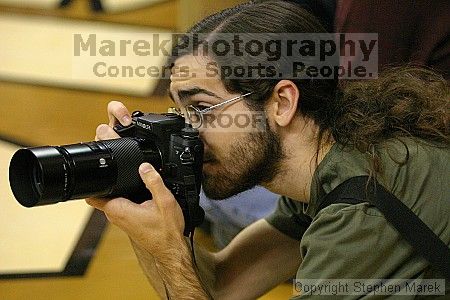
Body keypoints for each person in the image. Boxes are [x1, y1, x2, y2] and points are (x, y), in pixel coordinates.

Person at [87, 1, 450, 299]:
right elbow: (223, 286)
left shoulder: (362, 211)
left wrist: (170, 253)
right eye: (178, 114)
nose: (187, 134)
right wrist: (137, 199)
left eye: (200, 110)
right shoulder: (330, 165)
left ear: (281, 102)